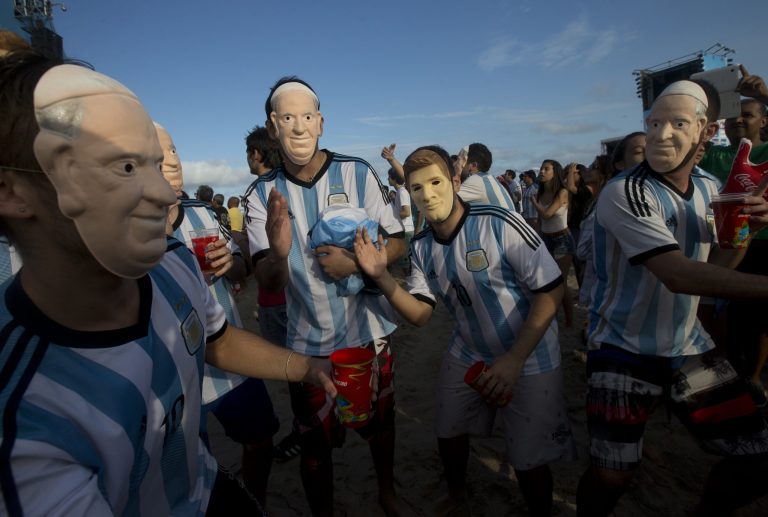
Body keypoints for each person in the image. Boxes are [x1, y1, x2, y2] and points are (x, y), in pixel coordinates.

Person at [0, 51, 335, 516]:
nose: (162, 193)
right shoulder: (24, 417)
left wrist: (303, 367)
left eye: (155, 163)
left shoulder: (173, 265)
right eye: (123, 168)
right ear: (12, 192)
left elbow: (215, 339)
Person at [576, 80, 768, 517]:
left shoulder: (707, 185)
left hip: (688, 346)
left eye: (678, 123)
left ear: (706, 129)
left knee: (757, 456)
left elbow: (719, 266)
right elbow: (678, 275)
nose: (662, 134)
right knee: (612, 475)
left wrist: (744, 231)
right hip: (622, 349)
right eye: (654, 123)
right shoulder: (625, 192)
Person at [353, 145, 575, 516]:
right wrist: (380, 276)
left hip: (529, 353)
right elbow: (421, 314)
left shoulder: (500, 223)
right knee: (448, 428)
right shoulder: (422, 247)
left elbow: (551, 288)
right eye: (417, 187)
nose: (428, 194)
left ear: (456, 181)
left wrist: (514, 359)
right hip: (469, 349)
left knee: (528, 459)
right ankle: (458, 495)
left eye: (436, 182)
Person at [243, 76, 406, 516]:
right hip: (307, 345)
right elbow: (271, 282)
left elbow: (397, 241)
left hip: (369, 334)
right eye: (288, 118)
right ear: (273, 126)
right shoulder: (261, 195)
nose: (299, 128)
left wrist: (357, 264)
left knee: (381, 422)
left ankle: (386, 492)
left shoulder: (357, 171)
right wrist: (278, 254)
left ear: (321, 122)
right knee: (314, 443)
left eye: (307, 116)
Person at [155, 122, 278, 510]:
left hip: (231, 357)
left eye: (174, 150)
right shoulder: (123, 228)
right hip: (177, 378)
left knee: (260, 439)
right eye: (160, 154)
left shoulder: (204, 216)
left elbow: (243, 268)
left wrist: (231, 264)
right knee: (192, 469)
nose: (172, 160)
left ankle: (254, 501)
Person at [698, 66, 768, 401]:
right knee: (723, 315)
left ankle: (754, 378)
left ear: (764, 120)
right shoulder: (718, 153)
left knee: (758, 319)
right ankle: (729, 371)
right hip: (720, 246)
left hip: (763, 245)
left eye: (749, 114)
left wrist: (764, 95)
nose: (739, 120)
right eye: (733, 117)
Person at [243, 124, 301, 463]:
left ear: (256, 154)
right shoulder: (297, 185)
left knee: (292, 370)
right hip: (306, 295)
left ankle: (303, 428)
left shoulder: (258, 193)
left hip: (277, 301)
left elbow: (263, 268)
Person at [532, 159, 574, 327]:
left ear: (554, 172)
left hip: (562, 239)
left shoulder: (562, 192)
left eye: (546, 169)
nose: (542, 171)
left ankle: (570, 320)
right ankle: (553, 316)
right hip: (547, 238)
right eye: (541, 168)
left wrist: (535, 205)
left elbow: (548, 214)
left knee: (561, 281)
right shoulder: (540, 193)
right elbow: (541, 221)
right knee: (548, 279)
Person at [458, 143, 517, 211]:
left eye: (459, 160)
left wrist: (455, 174)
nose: (455, 164)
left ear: (473, 165)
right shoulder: (487, 179)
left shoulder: (476, 181)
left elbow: (446, 202)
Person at [388, 166, 415, 275]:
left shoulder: (402, 191)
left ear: (394, 178)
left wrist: (392, 216)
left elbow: (406, 212)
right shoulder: (400, 191)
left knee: (405, 262)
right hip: (405, 230)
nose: (388, 179)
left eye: (389, 177)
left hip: (406, 231)